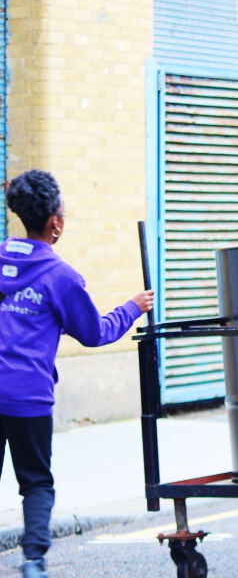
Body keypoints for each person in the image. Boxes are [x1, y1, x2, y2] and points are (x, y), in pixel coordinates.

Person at [0, 170, 154, 578]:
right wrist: (133, 307)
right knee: (35, 483)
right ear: (55, 222)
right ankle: (33, 561)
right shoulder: (60, 278)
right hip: (28, 397)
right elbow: (95, 332)